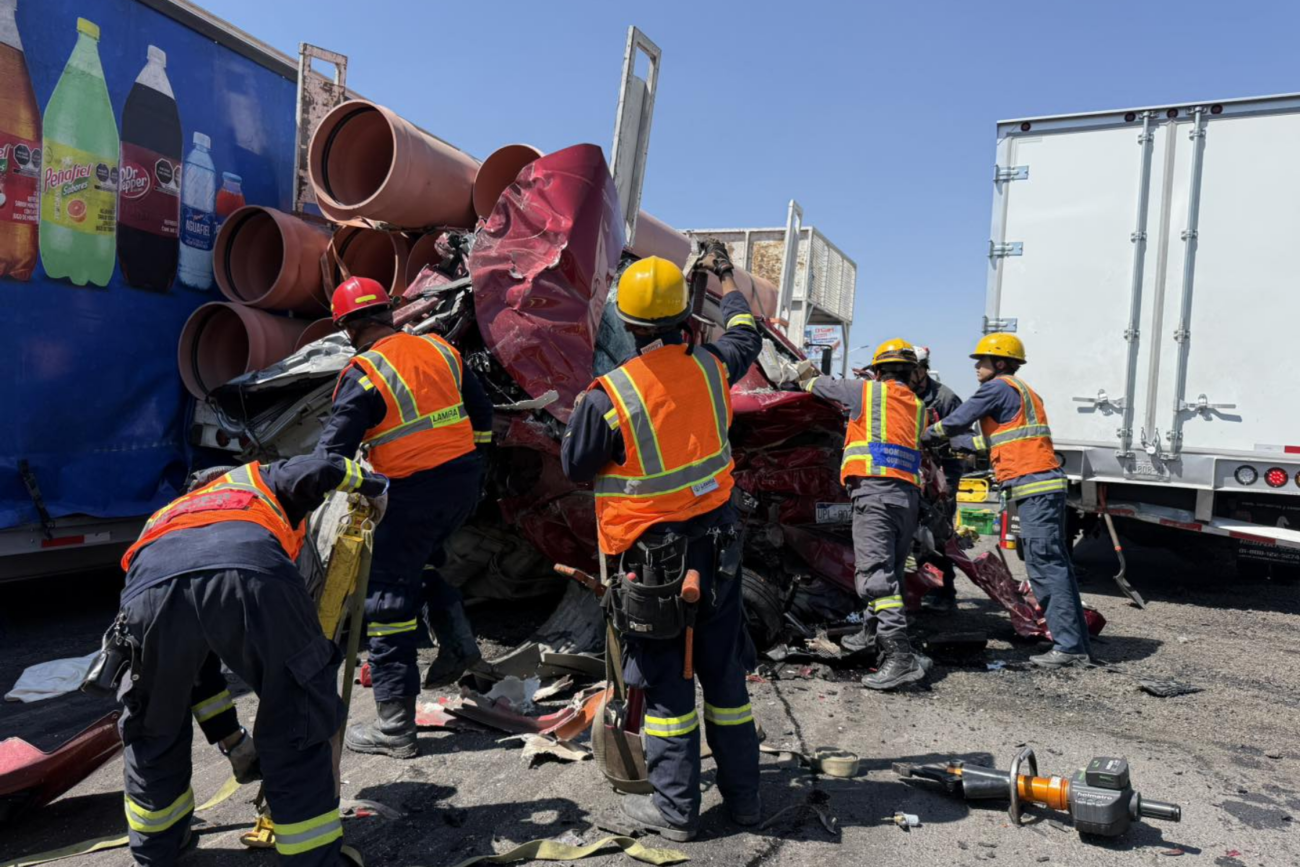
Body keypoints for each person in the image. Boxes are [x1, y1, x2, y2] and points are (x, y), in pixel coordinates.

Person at [561, 249, 762, 841]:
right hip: (720, 556)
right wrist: (725, 281)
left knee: (670, 688)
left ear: (626, 323)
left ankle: (675, 813)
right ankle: (745, 801)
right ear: (685, 317)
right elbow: (745, 335)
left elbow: (576, 466)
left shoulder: (609, 396)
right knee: (726, 683)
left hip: (654, 569)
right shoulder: (713, 367)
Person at [117, 456, 386, 866]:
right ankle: (313, 859)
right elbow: (323, 466)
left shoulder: (168, 513)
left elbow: (195, 674)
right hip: (251, 570)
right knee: (297, 712)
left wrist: (234, 741)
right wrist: (374, 485)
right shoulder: (256, 479)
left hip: (150, 591)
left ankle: (156, 853)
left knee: (152, 722)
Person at [314, 277, 494, 758]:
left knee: (387, 601)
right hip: (460, 487)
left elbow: (331, 458)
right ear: (390, 313)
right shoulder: (441, 350)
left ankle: (396, 728)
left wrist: (359, 487)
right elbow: (482, 416)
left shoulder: (364, 374)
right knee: (426, 559)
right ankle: (459, 646)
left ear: (349, 327)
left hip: (411, 494)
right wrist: (469, 469)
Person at [923, 333, 1092, 668]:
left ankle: (1069, 649)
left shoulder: (997, 387)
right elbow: (996, 443)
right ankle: (1075, 642)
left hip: (1034, 485)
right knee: (1056, 565)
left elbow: (958, 419)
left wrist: (926, 435)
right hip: (1043, 484)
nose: (976, 367)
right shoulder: (1023, 392)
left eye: (981, 361)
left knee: (1044, 565)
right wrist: (966, 446)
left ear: (999, 363)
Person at [805, 339, 928, 690]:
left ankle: (900, 658)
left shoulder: (868, 392)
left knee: (876, 577)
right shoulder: (917, 405)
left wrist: (804, 375)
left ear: (877, 370)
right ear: (911, 373)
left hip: (875, 495)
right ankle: (871, 634)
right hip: (906, 498)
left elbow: (817, 385)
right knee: (891, 572)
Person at [910, 346, 965, 611]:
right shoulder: (900, 393)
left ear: (922, 369)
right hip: (911, 475)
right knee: (915, 538)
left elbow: (960, 443)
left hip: (940, 478)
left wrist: (948, 485)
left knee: (938, 537)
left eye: (911, 370)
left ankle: (945, 594)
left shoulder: (945, 398)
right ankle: (921, 588)